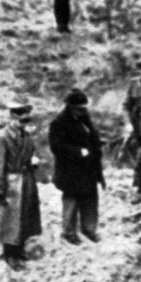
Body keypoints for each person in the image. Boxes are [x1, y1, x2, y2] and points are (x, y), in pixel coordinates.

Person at [0, 101, 42, 270]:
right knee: (9, 219)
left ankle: (19, 250)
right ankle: (9, 253)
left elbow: (31, 154)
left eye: (26, 121)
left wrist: (33, 162)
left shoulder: (26, 137)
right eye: (21, 120)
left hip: (26, 179)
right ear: (12, 117)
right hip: (11, 180)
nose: (24, 124)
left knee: (24, 216)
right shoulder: (1, 137)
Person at [48, 89, 104, 244]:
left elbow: (91, 136)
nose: (83, 111)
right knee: (71, 201)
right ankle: (69, 232)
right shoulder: (58, 123)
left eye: (84, 108)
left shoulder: (84, 118)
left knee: (90, 200)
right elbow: (56, 147)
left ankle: (89, 230)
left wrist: (96, 146)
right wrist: (78, 151)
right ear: (71, 107)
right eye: (80, 108)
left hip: (88, 169)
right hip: (70, 171)